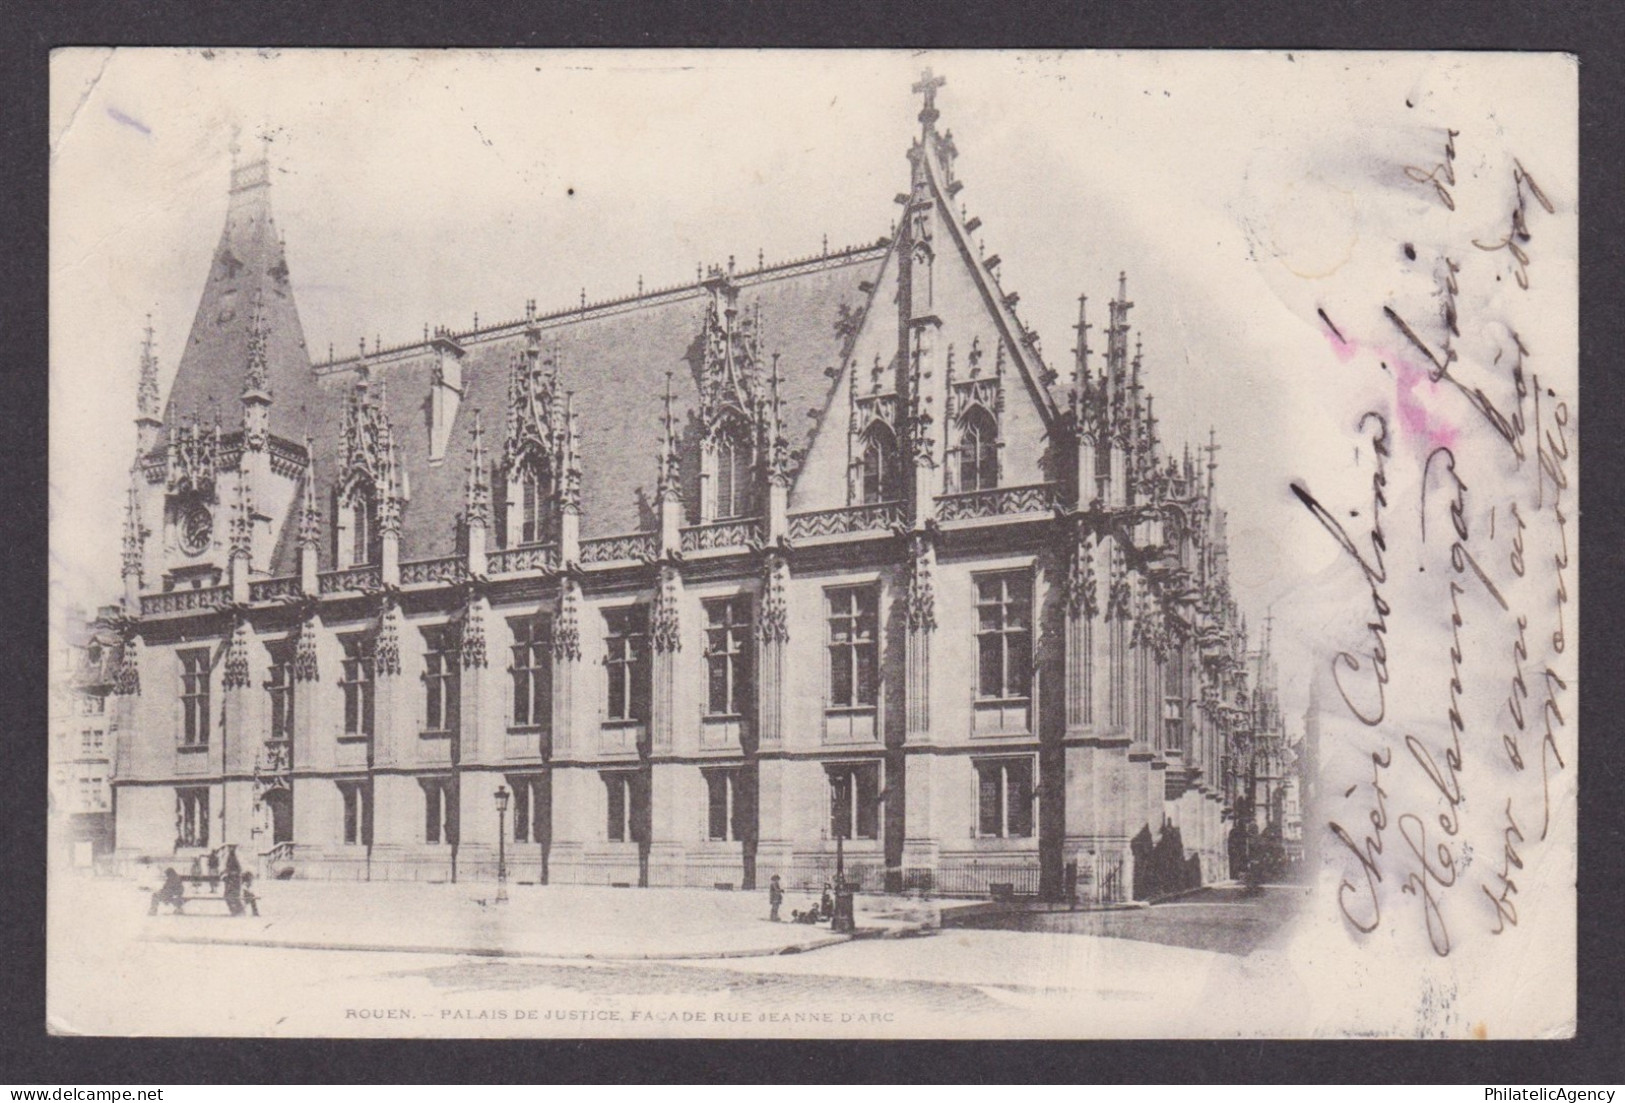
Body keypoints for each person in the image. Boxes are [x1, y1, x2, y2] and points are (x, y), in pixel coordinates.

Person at [222, 847, 244, 917]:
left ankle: (237, 910)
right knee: (228, 896)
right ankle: (236, 910)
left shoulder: (234, 860)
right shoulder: (230, 859)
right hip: (231, 882)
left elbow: (239, 870)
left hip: (234, 883)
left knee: (232, 896)